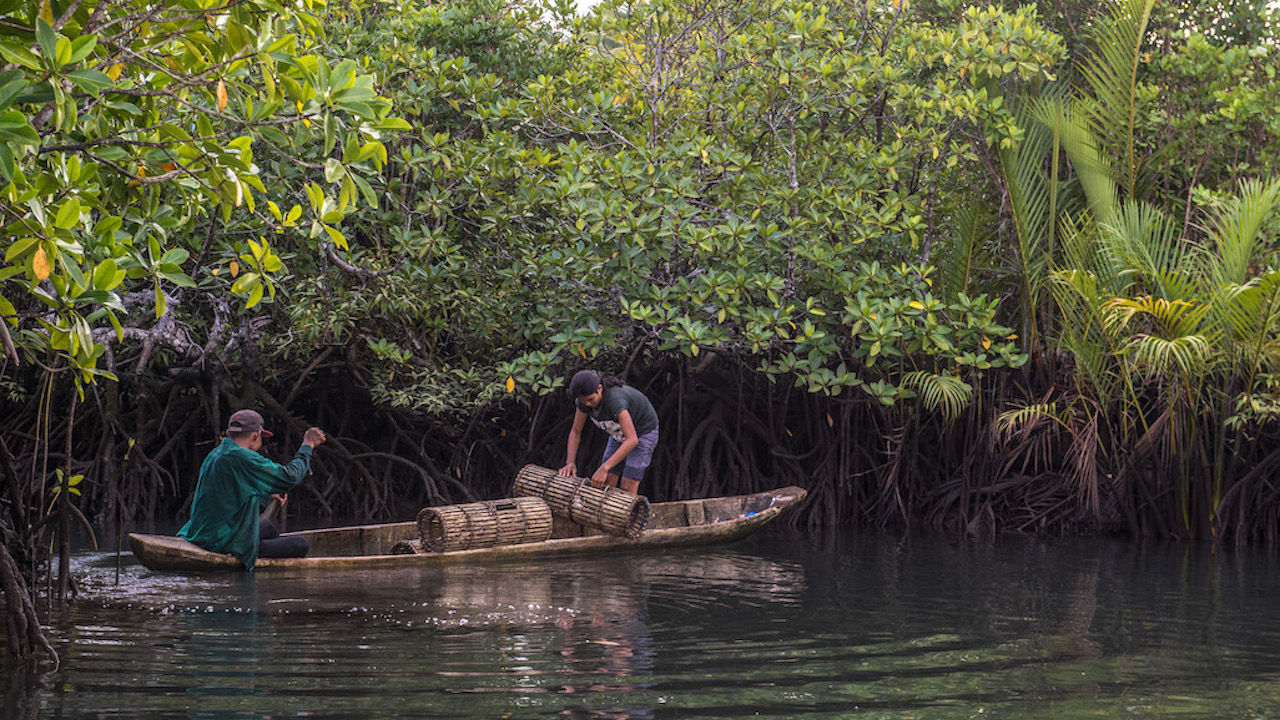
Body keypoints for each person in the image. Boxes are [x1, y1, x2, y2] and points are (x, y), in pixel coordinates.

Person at [178, 409, 327, 569]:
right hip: (222, 542)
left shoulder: (216, 454)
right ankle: (255, 557)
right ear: (256, 435)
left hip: (202, 533)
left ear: (229, 433)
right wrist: (307, 445)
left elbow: (232, 496)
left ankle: (260, 553)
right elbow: (290, 477)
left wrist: (268, 495)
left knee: (268, 527)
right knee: (300, 544)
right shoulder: (242, 457)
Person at [558, 370, 659, 495]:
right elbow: (576, 431)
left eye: (590, 399)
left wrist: (604, 467)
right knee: (605, 483)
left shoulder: (614, 401)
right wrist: (570, 462)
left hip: (643, 433)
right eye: (584, 401)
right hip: (618, 433)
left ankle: (631, 513)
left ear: (599, 389)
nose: (588, 404)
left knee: (627, 488)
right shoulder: (583, 403)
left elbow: (632, 439)